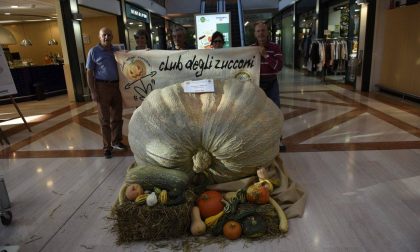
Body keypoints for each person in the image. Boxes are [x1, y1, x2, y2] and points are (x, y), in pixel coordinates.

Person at [86, 27, 127, 159]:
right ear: (99, 36)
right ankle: (107, 147)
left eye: (109, 35)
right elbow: (89, 72)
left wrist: (145, 51)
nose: (106, 37)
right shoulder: (93, 51)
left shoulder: (117, 50)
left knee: (117, 117)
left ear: (112, 36)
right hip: (101, 87)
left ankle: (116, 142)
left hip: (116, 87)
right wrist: (93, 91)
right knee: (104, 119)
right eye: (104, 35)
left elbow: (131, 57)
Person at [252, 21, 286, 152]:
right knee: (256, 112)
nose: (261, 33)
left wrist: (265, 55)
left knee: (275, 111)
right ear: (255, 34)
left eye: (263, 30)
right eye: (258, 31)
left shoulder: (275, 48)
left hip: (271, 82)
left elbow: (278, 67)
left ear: (267, 32)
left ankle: (278, 139)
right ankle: (260, 139)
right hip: (256, 84)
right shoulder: (250, 49)